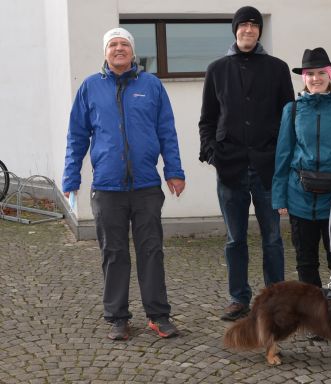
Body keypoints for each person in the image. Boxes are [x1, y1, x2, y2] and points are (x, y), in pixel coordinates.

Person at [63, 27, 186, 341]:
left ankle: (158, 316)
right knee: (114, 253)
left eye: (124, 45)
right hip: (107, 188)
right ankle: (118, 318)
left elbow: (167, 132)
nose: (119, 49)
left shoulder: (152, 85)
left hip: (146, 186)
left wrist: (174, 170)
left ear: (133, 52)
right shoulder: (90, 88)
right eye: (113, 45)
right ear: (105, 52)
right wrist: (71, 177)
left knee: (151, 251)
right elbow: (77, 137)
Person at [198, 6, 294, 321]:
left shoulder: (278, 69)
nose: (249, 30)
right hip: (230, 167)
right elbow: (207, 120)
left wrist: (283, 159)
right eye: (243, 26)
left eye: (254, 26)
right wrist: (212, 153)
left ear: (260, 32)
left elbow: (288, 119)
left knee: (273, 238)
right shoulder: (217, 69)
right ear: (235, 30)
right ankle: (238, 298)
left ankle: (275, 298)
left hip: (267, 169)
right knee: (235, 239)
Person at [272, 47, 331, 293]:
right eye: (310, 73)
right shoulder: (291, 110)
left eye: (321, 73)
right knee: (306, 263)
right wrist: (279, 196)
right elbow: (283, 154)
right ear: (303, 77)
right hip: (299, 199)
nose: (316, 78)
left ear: (330, 75)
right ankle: (314, 318)